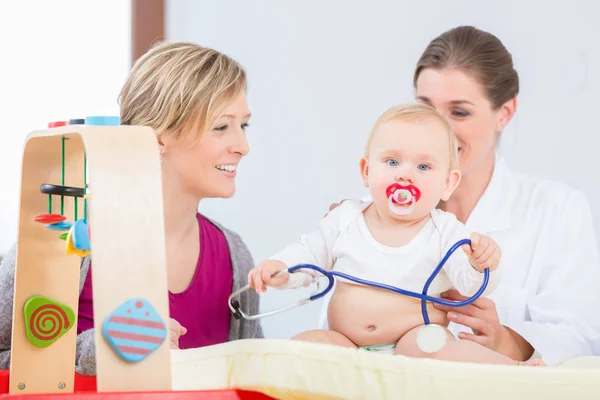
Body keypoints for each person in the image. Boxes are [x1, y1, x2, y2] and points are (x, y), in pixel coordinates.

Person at [324, 26, 600, 367]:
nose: (436, 130)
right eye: (426, 107)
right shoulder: (371, 211)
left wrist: (505, 341)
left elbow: (580, 336)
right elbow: (333, 333)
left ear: (505, 113)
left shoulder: (556, 210)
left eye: (460, 112)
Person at [0, 41, 263, 375]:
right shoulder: (65, 241)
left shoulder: (234, 255)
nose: (243, 146)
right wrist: (100, 351)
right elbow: (6, 360)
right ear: (159, 137)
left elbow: (248, 378)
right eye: (221, 127)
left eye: (244, 125)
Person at [248, 103, 543, 366]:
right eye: (392, 162)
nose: (405, 175)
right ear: (366, 171)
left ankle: (513, 373)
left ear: (448, 183)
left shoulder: (446, 231)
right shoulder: (345, 218)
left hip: (413, 346)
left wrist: (483, 263)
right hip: (347, 345)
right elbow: (309, 254)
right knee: (308, 345)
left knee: (434, 347)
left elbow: (469, 283)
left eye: (424, 166)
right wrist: (282, 269)